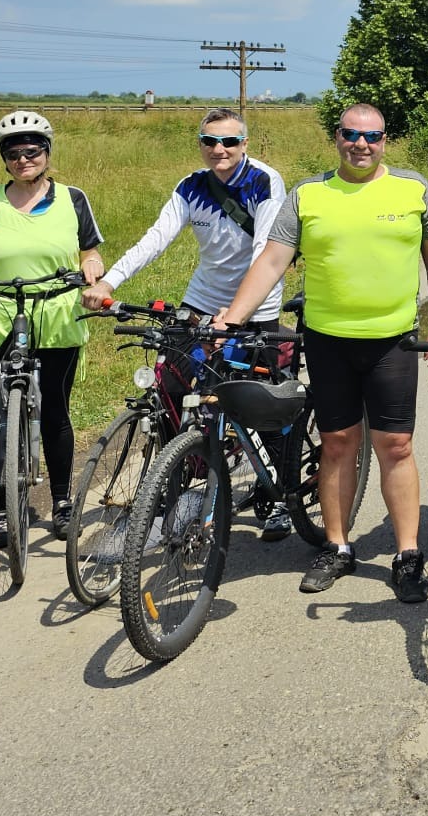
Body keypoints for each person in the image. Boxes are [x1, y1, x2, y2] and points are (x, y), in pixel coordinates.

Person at [217, 103, 428, 604]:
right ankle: (338, 546)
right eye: (351, 135)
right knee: (337, 444)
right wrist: (233, 315)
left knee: (397, 448)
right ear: (337, 138)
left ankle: (408, 555)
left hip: (392, 340)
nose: (361, 144)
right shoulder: (309, 194)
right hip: (328, 340)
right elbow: (274, 258)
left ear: (386, 140)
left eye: (372, 136)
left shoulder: (413, 189)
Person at [83, 107, 292, 534]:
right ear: (199, 144)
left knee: (265, 408)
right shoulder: (191, 187)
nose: (220, 149)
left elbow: (265, 254)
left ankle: (278, 496)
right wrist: (108, 282)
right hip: (202, 302)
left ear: (245, 144)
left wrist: (234, 315)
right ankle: (175, 476)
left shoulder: (265, 182)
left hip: (255, 308)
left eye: (230, 141)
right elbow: (155, 240)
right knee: (172, 388)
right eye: (210, 141)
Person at [0, 111, 105, 549]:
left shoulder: (73, 198)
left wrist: (91, 269)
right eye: (14, 154)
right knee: (0, 414)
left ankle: (64, 501)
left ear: (47, 154)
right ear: (4, 159)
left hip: (56, 313)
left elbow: (90, 252)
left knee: (55, 411)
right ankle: (0, 510)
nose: (23, 159)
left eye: (33, 151)